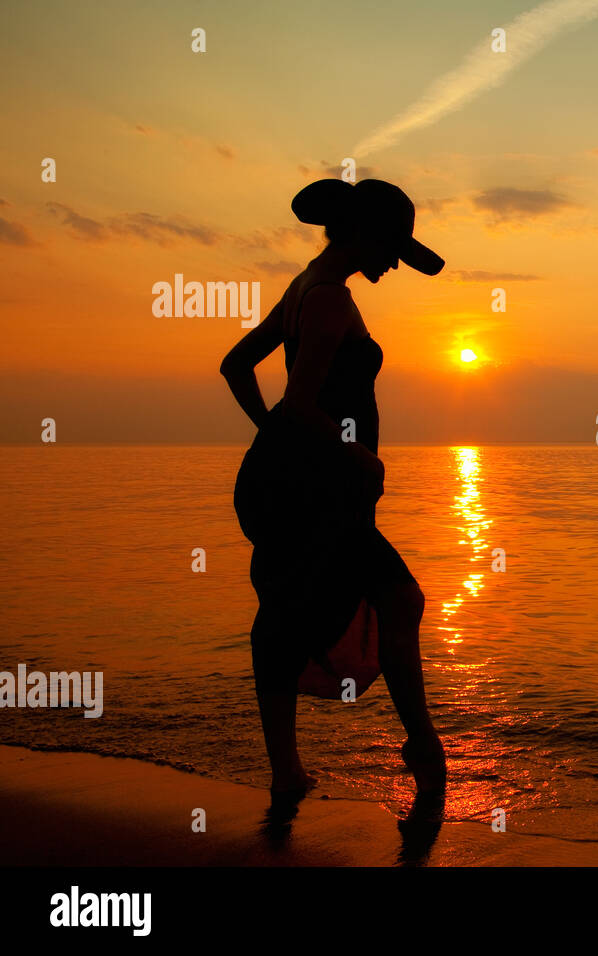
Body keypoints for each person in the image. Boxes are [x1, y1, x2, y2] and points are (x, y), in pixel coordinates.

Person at [221, 178, 447, 806]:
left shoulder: (307, 286)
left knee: (296, 612)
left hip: (302, 483)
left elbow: (236, 366)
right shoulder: (326, 300)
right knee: (392, 598)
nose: (395, 262)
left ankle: (290, 768)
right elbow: (299, 403)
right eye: (393, 248)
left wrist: (271, 436)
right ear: (364, 234)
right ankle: (421, 746)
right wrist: (351, 451)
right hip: (316, 490)